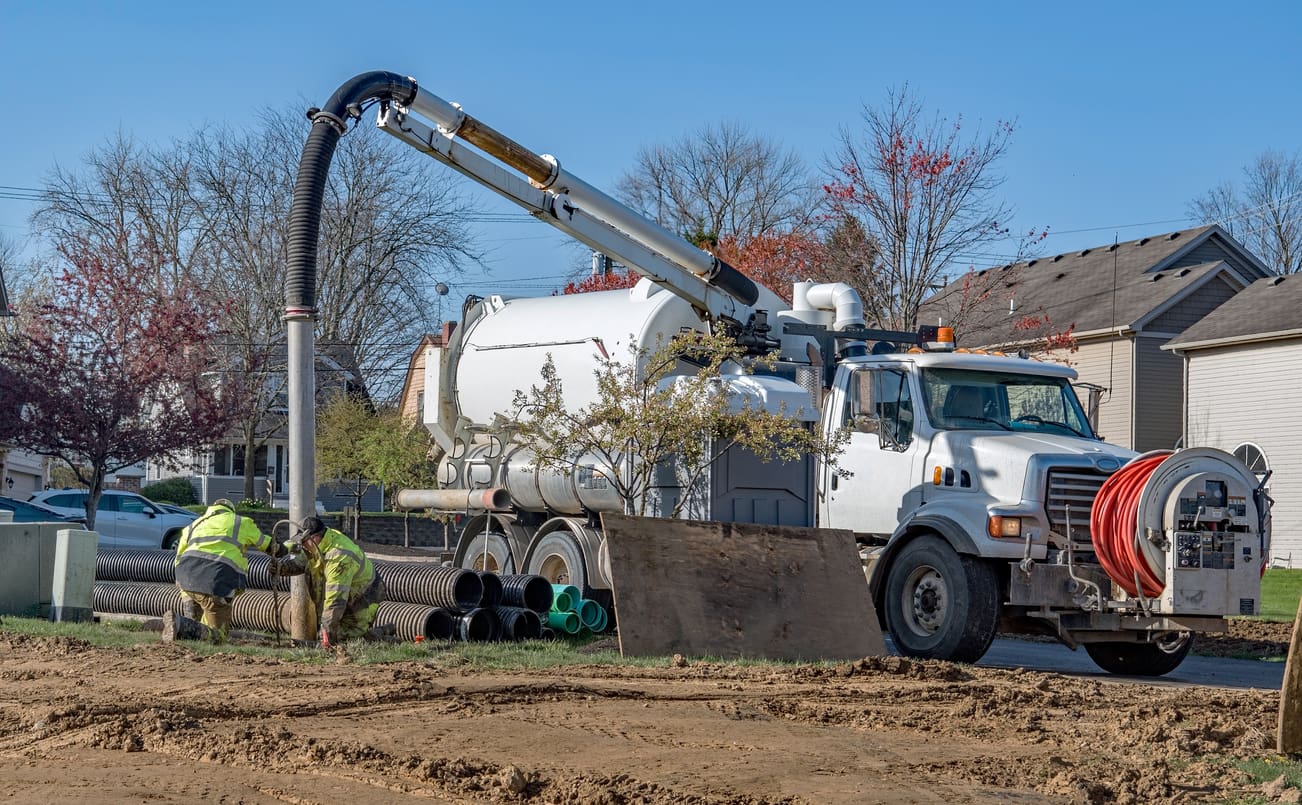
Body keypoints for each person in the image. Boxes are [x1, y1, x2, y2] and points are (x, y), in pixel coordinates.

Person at [163, 498, 290, 643]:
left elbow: (178, 559)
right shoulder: (241, 522)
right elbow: (268, 546)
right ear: (231, 511)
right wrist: (285, 548)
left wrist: (184, 589)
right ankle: (179, 625)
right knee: (219, 636)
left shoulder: (193, 526)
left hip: (186, 580)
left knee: (196, 627)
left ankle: (184, 626)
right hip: (216, 582)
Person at [295, 515, 386, 647]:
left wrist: (325, 637)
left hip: (363, 599)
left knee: (348, 641)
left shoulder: (339, 556)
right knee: (333, 634)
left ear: (314, 538)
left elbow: (335, 601)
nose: (302, 546)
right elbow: (303, 561)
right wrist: (282, 567)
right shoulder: (322, 542)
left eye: (303, 542)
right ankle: (382, 631)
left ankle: (384, 635)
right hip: (348, 596)